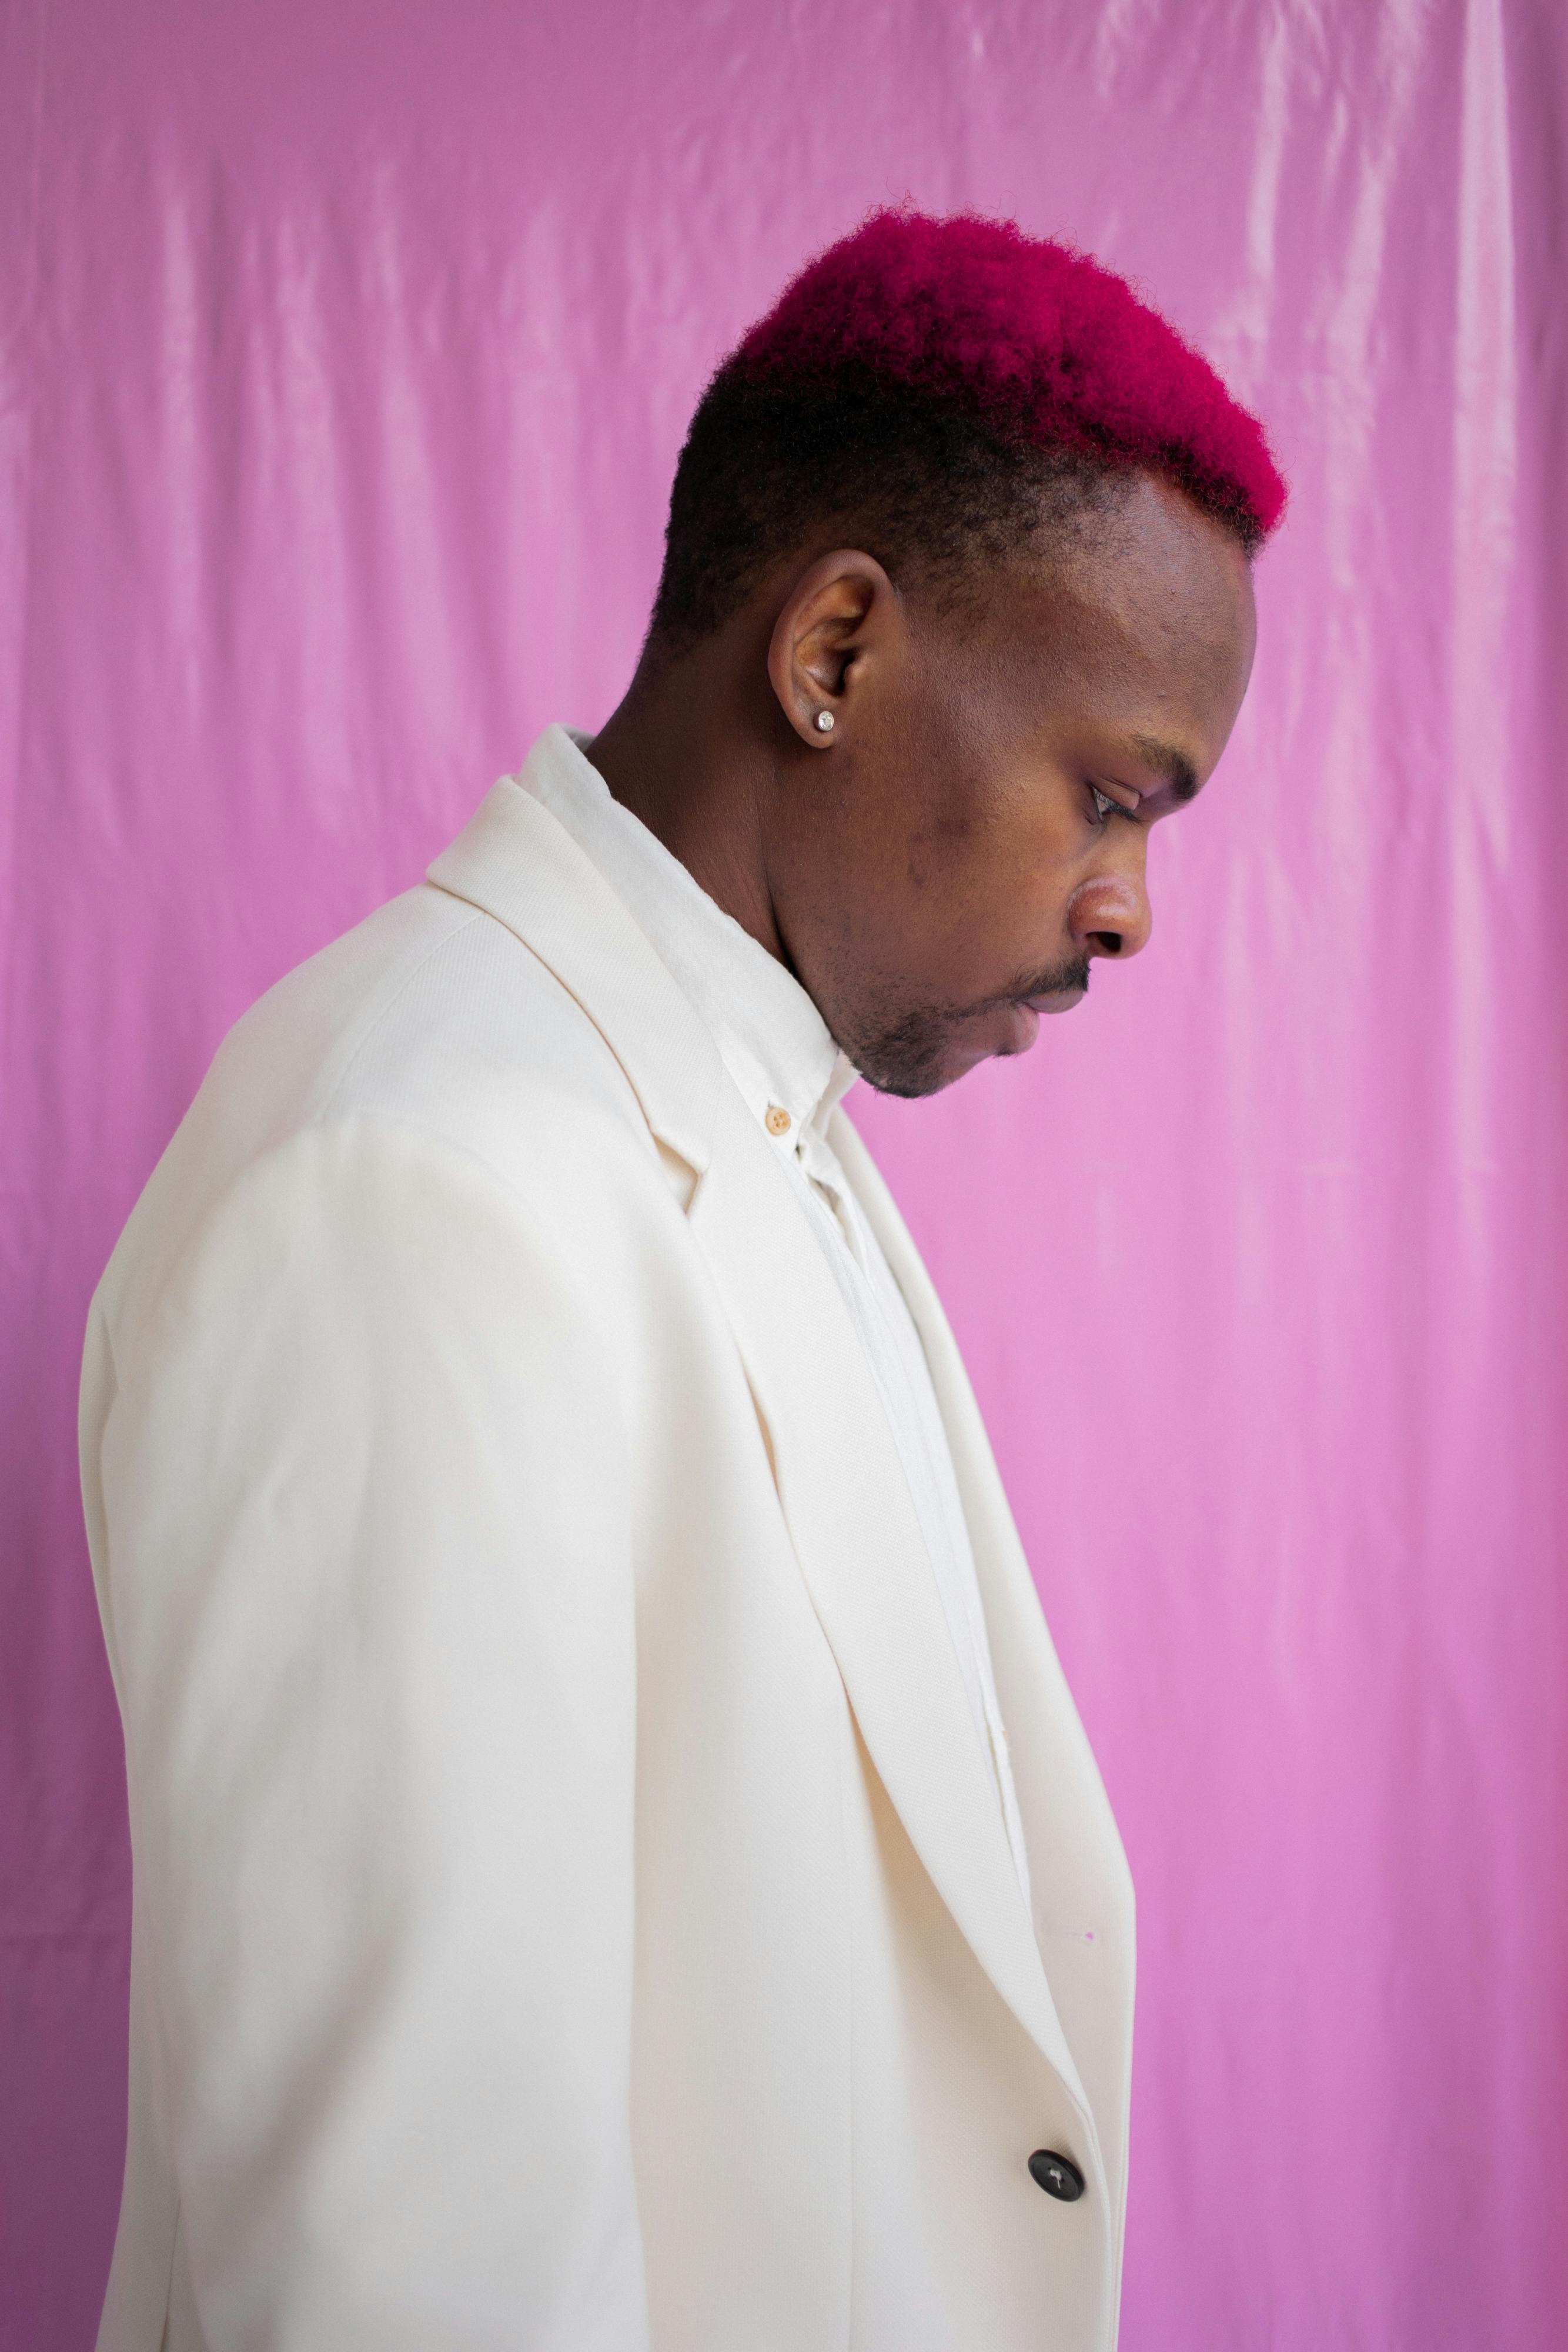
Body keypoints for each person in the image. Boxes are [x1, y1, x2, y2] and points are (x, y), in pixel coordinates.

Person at [81, 208, 1283, 2351]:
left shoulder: (745, 1108)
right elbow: (410, 2280)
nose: (1129, 912)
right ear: (833, 652)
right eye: (1110, 797)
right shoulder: (415, 1187)